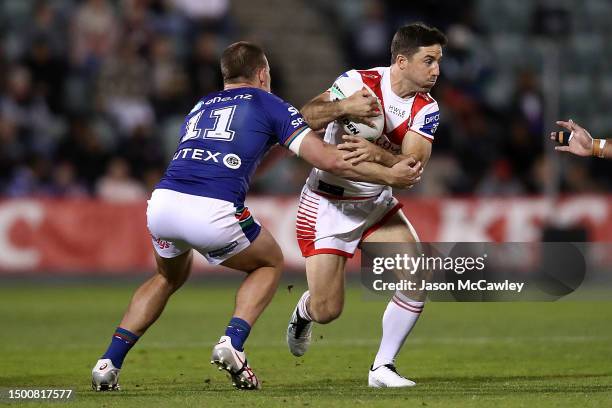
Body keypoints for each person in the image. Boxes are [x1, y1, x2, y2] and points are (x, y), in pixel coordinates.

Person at [90, 41, 422, 392]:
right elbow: (328, 160)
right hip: (212, 207)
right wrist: (391, 176)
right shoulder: (268, 102)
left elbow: (246, 154)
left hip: (163, 202)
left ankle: (108, 362)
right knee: (268, 263)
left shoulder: (202, 105)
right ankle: (232, 342)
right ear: (263, 73)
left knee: (166, 277)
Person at [286, 23, 447, 388]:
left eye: (438, 61)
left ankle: (382, 368)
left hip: (375, 204)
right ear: (402, 61)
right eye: (429, 61)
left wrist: (375, 153)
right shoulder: (357, 82)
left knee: (417, 275)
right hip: (329, 203)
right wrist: (342, 106)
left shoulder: (426, 108)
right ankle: (304, 311)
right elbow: (304, 118)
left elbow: (412, 170)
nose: (436, 70)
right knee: (328, 310)